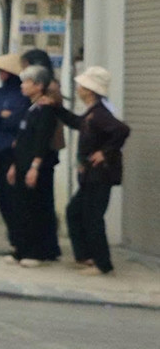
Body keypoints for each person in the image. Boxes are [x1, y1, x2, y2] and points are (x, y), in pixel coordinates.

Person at [56, 65, 131, 276]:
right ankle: (84, 256)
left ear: (89, 90)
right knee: (75, 212)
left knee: (93, 217)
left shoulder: (100, 114)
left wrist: (105, 152)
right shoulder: (91, 113)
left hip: (100, 175)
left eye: (81, 86)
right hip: (90, 174)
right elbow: (77, 122)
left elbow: (122, 130)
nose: (78, 89)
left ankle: (102, 263)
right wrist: (57, 108)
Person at [6, 64, 62, 267]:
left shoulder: (45, 110)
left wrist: (35, 166)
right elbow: (22, 139)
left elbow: (41, 141)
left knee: (35, 209)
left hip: (36, 167)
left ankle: (37, 252)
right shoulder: (31, 108)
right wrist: (14, 165)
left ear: (38, 85)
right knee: (21, 208)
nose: (22, 86)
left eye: (26, 82)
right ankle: (21, 249)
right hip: (22, 163)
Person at [0, 52, 28, 256]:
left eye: (3, 71)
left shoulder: (21, 95)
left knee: (13, 197)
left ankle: (19, 241)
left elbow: (16, 120)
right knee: (2, 198)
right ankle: (13, 239)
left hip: (11, 150)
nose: (0, 74)